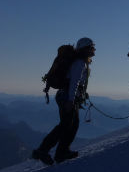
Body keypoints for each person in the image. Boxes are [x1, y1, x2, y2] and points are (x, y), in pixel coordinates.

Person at [32, 37, 95, 165]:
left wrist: (80, 95)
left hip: (65, 96)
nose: (94, 49)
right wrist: (71, 100)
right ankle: (43, 150)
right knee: (66, 125)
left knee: (72, 125)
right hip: (67, 97)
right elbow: (74, 82)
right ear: (86, 48)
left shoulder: (79, 62)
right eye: (92, 47)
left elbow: (75, 82)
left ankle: (61, 152)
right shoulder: (80, 63)